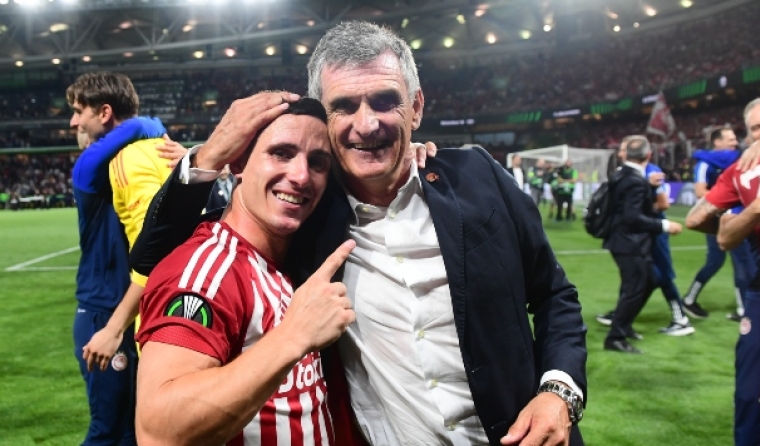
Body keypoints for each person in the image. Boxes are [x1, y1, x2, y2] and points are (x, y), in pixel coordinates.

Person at [132, 20, 587, 446]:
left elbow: (555, 295)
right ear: (326, 121)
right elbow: (158, 257)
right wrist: (209, 155)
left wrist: (559, 392)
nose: (367, 124)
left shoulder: (477, 177)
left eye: (385, 101)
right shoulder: (308, 213)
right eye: (344, 106)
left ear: (415, 107)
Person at [135, 97, 364, 446]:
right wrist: (294, 336)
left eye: (317, 162)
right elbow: (159, 431)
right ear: (239, 161)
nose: (301, 176)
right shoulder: (208, 271)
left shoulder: (291, 258)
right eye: (281, 153)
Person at [67, 72, 168, 445]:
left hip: (137, 306)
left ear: (105, 112)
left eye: (79, 111)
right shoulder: (86, 169)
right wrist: (150, 124)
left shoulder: (143, 158)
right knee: (107, 429)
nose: (74, 122)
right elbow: (137, 127)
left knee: (133, 431)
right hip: (102, 311)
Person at [685, 88, 760, 446]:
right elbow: (698, 220)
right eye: (756, 128)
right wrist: (755, 213)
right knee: (750, 393)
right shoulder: (744, 169)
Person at [596, 136, 694, 337]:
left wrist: (648, 207)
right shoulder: (629, 172)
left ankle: (680, 318)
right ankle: (622, 316)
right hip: (639, 232)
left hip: (652, 231)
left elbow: (662, 204)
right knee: (637, 277)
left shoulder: (650, 170)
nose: (621, 153)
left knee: (661, 275)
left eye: (623, 149)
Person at [683, 127, 750, 320]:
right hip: (715, 219)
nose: (735, 142)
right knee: (721, 262)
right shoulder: (704, 165)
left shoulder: (736, 160)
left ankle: (742, 308)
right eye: (730, 139)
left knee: (738, 261)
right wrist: (725, 200)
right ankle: (689, 299)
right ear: (717, 142)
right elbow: (700, 192)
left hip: (731, 216)